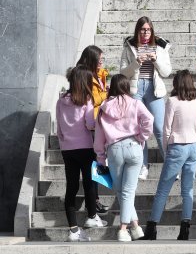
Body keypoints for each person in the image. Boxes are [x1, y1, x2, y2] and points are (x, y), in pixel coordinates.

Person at [143, 70, 196, 240]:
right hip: (193, 145)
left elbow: (166, 130)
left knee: (163, 190)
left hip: (177, 145)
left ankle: (152, 228)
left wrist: (167, 150)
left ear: (176, 84)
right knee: (187, 190)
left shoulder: (172, 101)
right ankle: (185, 229)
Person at [94, 74, 154, 241]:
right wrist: (142, 136)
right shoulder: (135, 103)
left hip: (114, 149)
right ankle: (133, 228)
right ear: (127, 87)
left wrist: (100, 157)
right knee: (126, 192)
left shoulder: (104, 107)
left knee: (123, 191)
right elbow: (149, 118)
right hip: (134, 147)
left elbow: (99, 136)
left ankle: (124, 228)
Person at [56, 66, 107, 242]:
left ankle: (73, 230)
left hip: (67, 149)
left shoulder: (61, 100)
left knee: (71, 187)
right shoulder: (87, 99)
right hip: (85, 147)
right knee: (89, 183)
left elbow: (59, 128)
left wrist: (64, 142)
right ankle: (92, 217)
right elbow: (90, 124)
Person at [120, 16, 172, 181]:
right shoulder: (129, 46)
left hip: (154, 89)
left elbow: (166, 72)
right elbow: (123, 73)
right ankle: (143, 166)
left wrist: (155, 60)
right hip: (135, 90)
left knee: (159, 128)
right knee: (138, 130)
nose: (146, 32)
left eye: (148, 29)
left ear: (152, 30)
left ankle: (170, 165)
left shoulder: (160, 46)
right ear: (138, 30)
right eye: (142, 29)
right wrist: (136, 63)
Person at [76, 44, 109, 214]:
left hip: (97, 122)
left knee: (95, 164)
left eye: (103, 59)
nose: (102, 62)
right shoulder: (84, 76)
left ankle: (95, 199)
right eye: (99, 59)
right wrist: (106, 94)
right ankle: (94, 201)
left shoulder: (97, 75)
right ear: (91, 59)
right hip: (91, 123)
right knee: (93, 164)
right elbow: (91, 98)